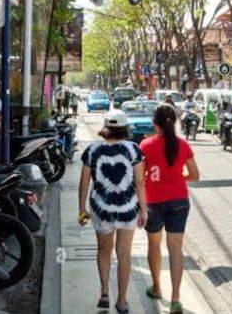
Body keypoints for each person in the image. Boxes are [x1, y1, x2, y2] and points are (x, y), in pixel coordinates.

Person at [78, 110, 147, 313]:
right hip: (127, 210)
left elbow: (84, 184)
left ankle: (105, 293)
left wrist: (82, 210)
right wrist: (144, 210)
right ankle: (122, 301)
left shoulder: (92, 150)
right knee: (124, 254)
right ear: (125, 128)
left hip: (101, 210)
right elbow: (140, 184)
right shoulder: (134, 150)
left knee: (103, 251)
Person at [141, 105, 200, 314]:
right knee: (176, 248)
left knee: (154, 244)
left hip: (153, 202)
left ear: (155, 123)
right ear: (174, 122)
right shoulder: (183, 145)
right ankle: (176, 298)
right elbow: (195, 175)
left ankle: (157, 288)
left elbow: (139, 178)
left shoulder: (145, 145)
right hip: (179, 201)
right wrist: (177, 178)